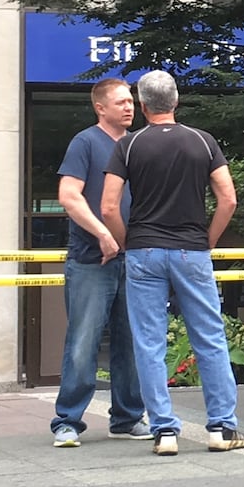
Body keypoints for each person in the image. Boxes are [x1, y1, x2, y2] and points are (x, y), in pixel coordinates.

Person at [99, 70, 244, 457]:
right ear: (176, 101)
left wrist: (128, 242)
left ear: (143, 105)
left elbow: (109, 206)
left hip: (144, 251)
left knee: (148, 342)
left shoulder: (129, 146)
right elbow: (228, 199)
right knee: (209, 337)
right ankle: (221, 427)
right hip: (191, 250)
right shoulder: (203, 141)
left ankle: (164, 431)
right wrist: (208, 239)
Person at [49, 78, 147, 447]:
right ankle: (67, 421)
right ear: (100, 107)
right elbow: (68, 196)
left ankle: (127, 417)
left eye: (131, 101)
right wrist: (104, 233)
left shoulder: (138, 144)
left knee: (132, 341)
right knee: (83, 341)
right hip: (92, 258)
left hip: (134, 258)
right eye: (120, 102)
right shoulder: (86, 142)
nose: (129, 107)